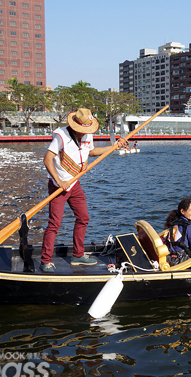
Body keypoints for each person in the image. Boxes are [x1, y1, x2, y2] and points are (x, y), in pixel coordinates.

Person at [40, 108, 127, 273]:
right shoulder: (60, 136)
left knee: (83, 217)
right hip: (58, 186)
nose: (84, 133)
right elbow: (47, 159)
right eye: (82, 130)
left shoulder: (88, 134)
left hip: (74, 184)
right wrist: (60, 182)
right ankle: (46, 260)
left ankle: (78, 255)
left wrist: (114, 147)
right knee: (54, 223)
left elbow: (91, 152)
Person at [164, 197, 191, 268]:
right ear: (182, 211)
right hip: (183, 261)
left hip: (170, 260)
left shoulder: (173, 223)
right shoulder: (189, 226)